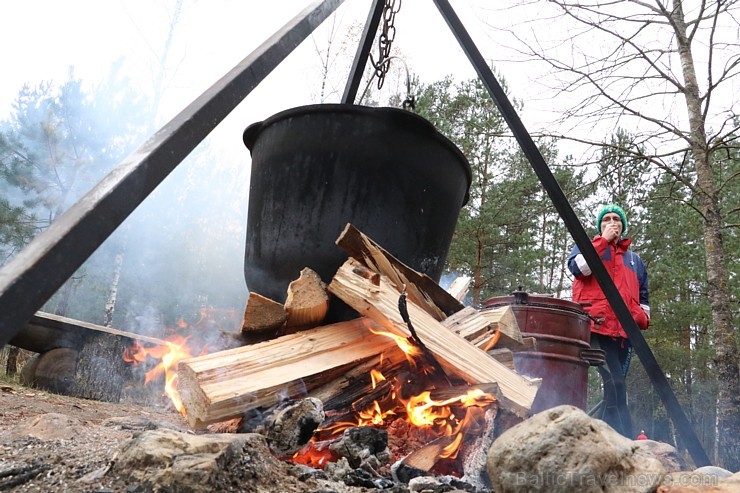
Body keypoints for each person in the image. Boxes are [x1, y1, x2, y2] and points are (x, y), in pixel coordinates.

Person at [567, 203, 650, 438]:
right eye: (606, 219)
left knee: (616, 389)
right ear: (600, 225)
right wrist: (602, 240)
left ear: (623, 226)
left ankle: (602, 438)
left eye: (616, 219)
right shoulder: (587, 247)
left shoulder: (635, 260)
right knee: (615, 384)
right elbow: (578, 269)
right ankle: (623, 439)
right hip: (594, 328)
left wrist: (641, 317)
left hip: (623, 335)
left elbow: (644, 297)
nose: (612, 222)